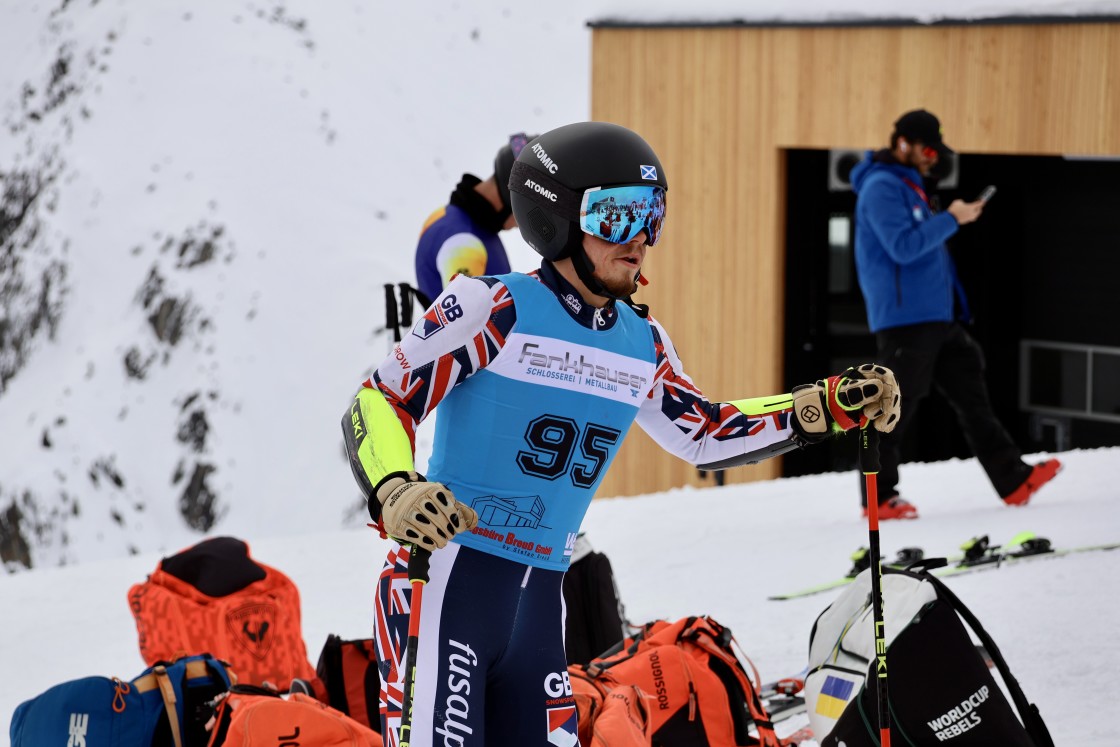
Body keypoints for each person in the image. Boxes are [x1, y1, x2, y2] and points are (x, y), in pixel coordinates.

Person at [343, 121, 901, 747]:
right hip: (444, 585)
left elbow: (704, 432)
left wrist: (823, 407)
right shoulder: (492, 307)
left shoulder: (642, 342)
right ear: (556, 218)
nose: (639, 239)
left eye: (652, 216)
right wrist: (396, 488)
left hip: (538, 604)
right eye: (617, 216)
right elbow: (381, 398)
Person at [850, 108, 1061, 520]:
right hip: (906, 322)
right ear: (903, 144)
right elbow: (903, 247)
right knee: (890, 408)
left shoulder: (908, 186)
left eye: (936, 152)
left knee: (972, 392)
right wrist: (952, 218)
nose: (933, 158)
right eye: (928, 150)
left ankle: (1013, 480)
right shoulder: (881, 187)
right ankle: (878, 498)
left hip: (935, 319)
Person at [413, 132, 536, 302]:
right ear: (513, 195)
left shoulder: (445, 215)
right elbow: (466, 316)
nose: (521, 223)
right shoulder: (465, 244)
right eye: (530, 207)